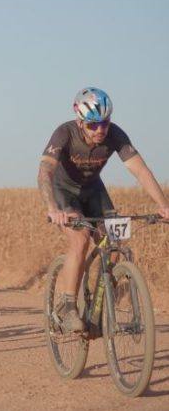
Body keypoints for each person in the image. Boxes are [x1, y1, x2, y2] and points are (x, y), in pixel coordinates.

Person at [37, 87, 169, 332]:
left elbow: (140, 170)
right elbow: (45, 170)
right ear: (80, 122)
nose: (100, 130)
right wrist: (52, 207)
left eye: (104, 124)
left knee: (115, 244)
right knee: (80, 240)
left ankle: (97, 306)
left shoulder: (115, 135)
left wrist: (164, 206)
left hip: (93, 190)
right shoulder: (64, 133)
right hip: (65, 192)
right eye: (93, 125)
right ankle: (67, 307)